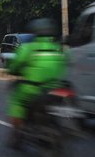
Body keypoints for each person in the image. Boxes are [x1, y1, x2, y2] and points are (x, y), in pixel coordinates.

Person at [6, 18, 68, 148]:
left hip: (32, 90)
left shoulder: (28, 48)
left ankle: (17, 130)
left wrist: (12, 70)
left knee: (16, 102)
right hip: (56, 90)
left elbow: (14, 67)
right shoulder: (58, 49)